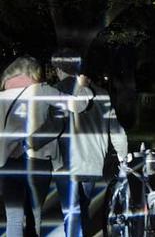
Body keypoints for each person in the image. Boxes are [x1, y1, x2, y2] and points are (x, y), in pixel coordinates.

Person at [0, 56, 92, 236]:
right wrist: (83, 87)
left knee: (14, 218)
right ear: (33, 72)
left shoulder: (1, 95)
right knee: (35, 216)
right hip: (36, 160)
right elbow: (78, 105)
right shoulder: (41, 90)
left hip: (6, 163)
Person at [44, 49, 128, 236]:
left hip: (67, 164)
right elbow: (116, 129)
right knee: (82, 209)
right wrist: (123, 156)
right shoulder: (102, 94)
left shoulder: (57, 92)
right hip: (93, 162)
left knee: (71, 213)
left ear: (58, 68)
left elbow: (52, 128)